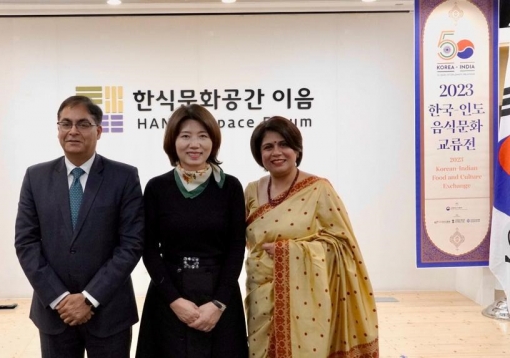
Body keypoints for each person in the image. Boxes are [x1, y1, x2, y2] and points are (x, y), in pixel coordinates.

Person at [14, 95, 144, 358]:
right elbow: (26, 243)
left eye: (83, 124)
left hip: (109, 312)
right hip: (55, 313)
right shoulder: (35, 177)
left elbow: (131, 244)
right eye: (65, 124)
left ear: (98, 131)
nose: (73, 131)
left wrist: (89, 297)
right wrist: (60, 298)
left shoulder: (124, 177)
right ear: (58, 129)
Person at [244, 116, 379, 357]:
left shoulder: (319, 189)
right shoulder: (252, 190)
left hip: (306, 299)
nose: (277, 152)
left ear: (297, 150)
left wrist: (289, 252)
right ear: (259, 154)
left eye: (283, 144)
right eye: (268, 146)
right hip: (260, 298)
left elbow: (343, 245)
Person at [136, 104, 248, 358]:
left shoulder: (229, 187)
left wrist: (218, 304)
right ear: (173, 141)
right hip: (169, 295)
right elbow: (148, 249)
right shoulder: (157, 188)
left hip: (219, 296)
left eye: (203, 136)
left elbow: (236, 248)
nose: (194, 144)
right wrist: (175, 301)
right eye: (185, 136)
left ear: (213, 141)